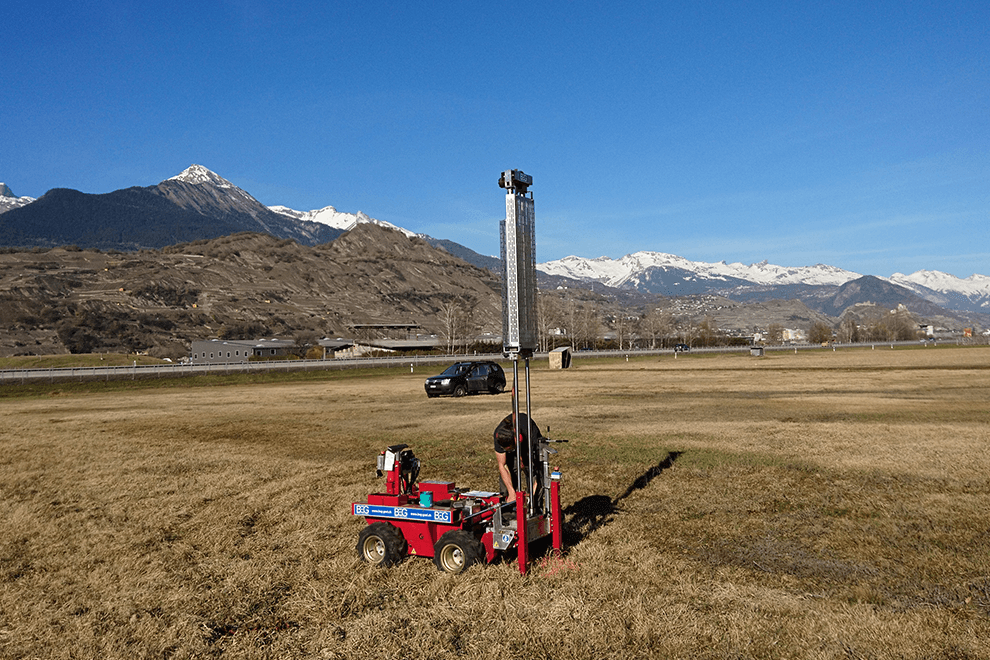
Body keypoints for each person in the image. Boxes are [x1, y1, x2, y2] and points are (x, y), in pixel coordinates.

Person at [493, 391, 543, 507]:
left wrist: (532, 493)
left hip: (529, 448)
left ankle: (535, 508)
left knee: (533, 477)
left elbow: (539, 469)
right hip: (515, 446)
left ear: (518, 439)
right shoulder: (499, 435)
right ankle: (508, 507)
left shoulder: (530, 434)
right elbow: (502, 465)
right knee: (508, 477)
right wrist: (511, 492)